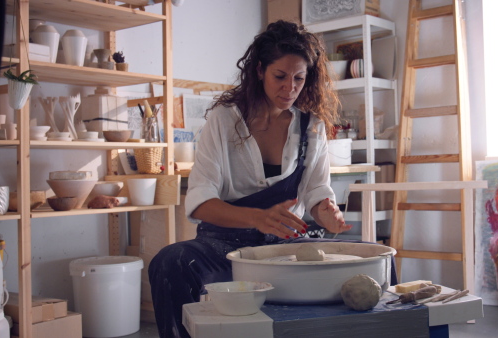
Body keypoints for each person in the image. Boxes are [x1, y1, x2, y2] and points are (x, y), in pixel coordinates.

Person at [148, 20, 396, 338]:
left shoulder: (311, 127)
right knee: (170, 262)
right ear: (260, 70)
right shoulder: (224, 122)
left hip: (283, 249)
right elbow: (199, 200)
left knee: (377, 258)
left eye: (299, 78)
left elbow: (316, 190)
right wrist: (256, 218)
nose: (289, 88)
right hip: (222, 247)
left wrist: (327, 211)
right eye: (280, 76)